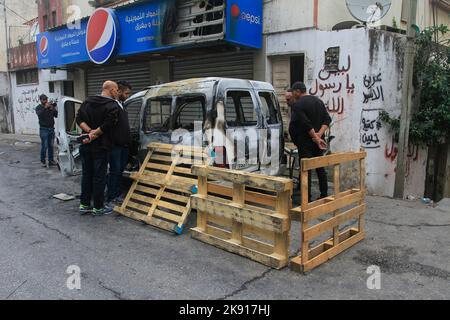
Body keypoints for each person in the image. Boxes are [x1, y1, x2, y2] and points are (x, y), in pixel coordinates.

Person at [76, 81, 120, 216]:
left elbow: (79, 119)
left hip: (86, 144)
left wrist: (89, 132)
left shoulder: (87, 101)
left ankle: (84, 204)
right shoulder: (112, 105)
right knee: (99, 177)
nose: (117, 92)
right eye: (116, 90)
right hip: (101, 146)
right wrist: (94, 134)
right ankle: (98, 207)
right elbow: (108, 124)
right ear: (111, 90)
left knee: (87, 174)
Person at [289, 82, 331, 201]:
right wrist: (319, 135)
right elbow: (327, 119)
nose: (292, 94)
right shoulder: (318, 101)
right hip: (317, 142)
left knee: (306, 170)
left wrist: (316, 137)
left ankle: (306, 199)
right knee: (320, 168)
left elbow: (305, 123)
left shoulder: (298, 105)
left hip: (306, 142)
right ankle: (324, 194)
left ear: (297, 91)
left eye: (293, 92)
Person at [106, 80, 132, 205]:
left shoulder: (122, 105)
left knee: (119, 171)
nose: (128, 96)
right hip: (115, 146)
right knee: (114, 171)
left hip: (123, 145)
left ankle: (117, 194)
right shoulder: (112, 105)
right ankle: (111, 197)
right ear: (118, 91)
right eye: (126, 93)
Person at [35, 94, 58, 167]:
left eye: (46, 99)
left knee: (51, 145)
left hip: (51, 128)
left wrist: (53, 108)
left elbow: (56, 115)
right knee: (44, 146)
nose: (45, 101)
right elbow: (40, 115)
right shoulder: (38, 108)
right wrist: (45, 107)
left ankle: (51, 161)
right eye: (44, 99)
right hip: (43, 129)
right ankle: (43, 161)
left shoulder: (49, 107)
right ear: (41, 100)